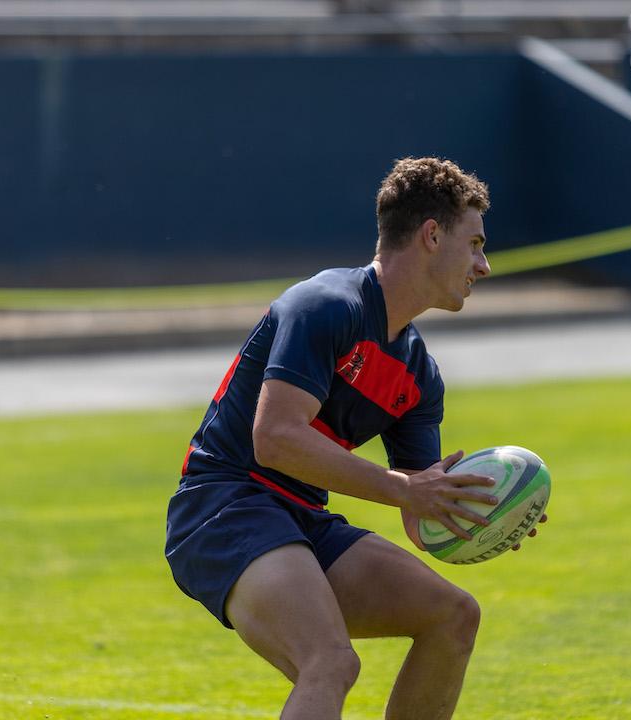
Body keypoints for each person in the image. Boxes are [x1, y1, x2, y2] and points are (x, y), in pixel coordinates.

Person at [165, 156, 543, 720]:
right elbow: (275, 439)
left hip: (300, 521)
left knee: (453, 616)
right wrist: (404, 490)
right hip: (225, 507)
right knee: (330, 662)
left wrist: (485, 515)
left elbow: (421, 506)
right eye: (476, 244)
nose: (484, 265)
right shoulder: (324, 306)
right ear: (432, 235)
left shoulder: (418, 373)